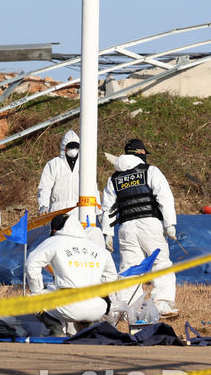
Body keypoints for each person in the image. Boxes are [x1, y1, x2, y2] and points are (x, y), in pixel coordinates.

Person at [100, 138, 178, 316]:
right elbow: (164, 197)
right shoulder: (150, 171)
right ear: (141, 153)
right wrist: (170, 224)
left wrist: (108, 233)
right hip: (149, 224)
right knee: (161, 263)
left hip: (126, 227)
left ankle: (128, 309)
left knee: (129, 269)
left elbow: (108, 208)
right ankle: (162, 304)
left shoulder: (114, 178)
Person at [25, 214, 117, 336]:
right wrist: (104, 299)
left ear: (54, 230)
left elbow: (31, 263)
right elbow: (111, 277)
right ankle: (88, 330)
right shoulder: (98, 248)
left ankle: (56, 330)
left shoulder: (54, 242)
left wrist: (37, 291)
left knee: (34, 298)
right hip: (97, 308)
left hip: (69, 305)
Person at [38, 130, 81, 214]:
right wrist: (43, 205)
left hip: (79, 211)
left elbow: (92, 188)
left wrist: (98, 212)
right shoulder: (54, 164)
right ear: (64, 147)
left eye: (75, 147)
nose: (73, 150)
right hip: (58, 210)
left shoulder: (83, 165)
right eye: (70, 147)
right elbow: (45, 186)